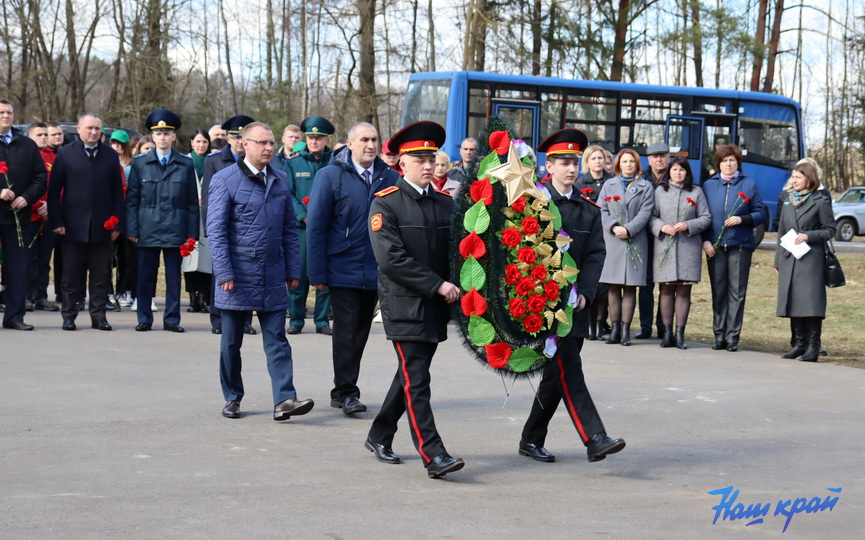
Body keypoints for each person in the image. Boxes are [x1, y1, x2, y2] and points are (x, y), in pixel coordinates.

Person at [519, 129, 626, 465]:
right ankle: (594, 437)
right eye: (563, 162)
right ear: (547, 166)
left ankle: (531, 438)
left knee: (557, 375)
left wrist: (586, 292)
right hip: (542, 304)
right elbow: (522, 254)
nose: (571, 168)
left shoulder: (589, 209)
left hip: (575, 305)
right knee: (569, 368)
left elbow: (595, 255)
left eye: (574, 162)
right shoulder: (533, 205)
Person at [365, 121, 465, 479]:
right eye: (418, 158)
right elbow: (391, 259)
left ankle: (378, 434)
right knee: (418, 380)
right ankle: (433, 454)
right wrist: (437, 285)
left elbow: (459, 251)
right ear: (401, 164)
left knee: (409, 376)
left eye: (431, 158)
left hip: (435, 308)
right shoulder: (385, 204)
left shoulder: (443, 203)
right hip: (404, 306)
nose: (427, 165)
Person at [207, 121, 314, 421]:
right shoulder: (224, 179)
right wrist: (224, 272)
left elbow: (288, 232)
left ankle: (285, 399)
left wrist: (293, 269)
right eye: (262, 143)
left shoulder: (280, 179)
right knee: (231, 342)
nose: (269, 148)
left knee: (277, 338)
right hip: (236, 275)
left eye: (271, 143)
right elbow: (215, 231)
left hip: (271, 273)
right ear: (245, 144)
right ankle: (232, 397)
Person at [307, 121, 399, 415]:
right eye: (364, 140)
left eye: (374, 139)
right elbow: (317, 227)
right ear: (350, 144)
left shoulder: (389, 177)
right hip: (341, 266)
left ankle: (341, 389)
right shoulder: (330, 176)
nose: (370, 145)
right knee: (346, 330)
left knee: (359, 332)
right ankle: (347, 392)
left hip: (376, 268)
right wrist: (317, 272)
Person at [48, 113, 125, 331]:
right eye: (89, 128)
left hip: (103, 227)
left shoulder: (110, 156)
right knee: (71, 275)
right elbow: (54, 191)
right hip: (71, 225)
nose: (93, 132)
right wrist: (56, 220)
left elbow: (117, 193)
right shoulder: (65, 153)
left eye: (97, 129)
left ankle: (98, 316)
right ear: (79, 130)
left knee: (101, 275)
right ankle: (69, 315)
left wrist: (118, 223)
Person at [125, 109, 199, 333]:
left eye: (167, 133)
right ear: (153, 137)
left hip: (175, 227)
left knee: (174, 279)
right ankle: (144, 318)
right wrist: (132, 228)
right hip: (147, 227)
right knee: (146, 276)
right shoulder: (140, 163)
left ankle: (172, 319)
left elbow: (191, 204)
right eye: (159, 134)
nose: (163, 138)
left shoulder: (185, 164)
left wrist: (192, 235)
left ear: (174, 137)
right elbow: (132, 199)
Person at [701, 144, 766, 352]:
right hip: (715, 247)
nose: (728, 164)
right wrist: (705, 240)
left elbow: (760, 214)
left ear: (738, 163)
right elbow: (702, 216)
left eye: (732, 160)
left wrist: (742, 219)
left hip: (740, 246)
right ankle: (719, 334)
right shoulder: (709, 185)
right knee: (718, 291)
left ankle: (732, 336)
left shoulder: (748, 185)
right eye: (724, 160)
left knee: (737, 292)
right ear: (718, 163)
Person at [201, 114, 257, 335]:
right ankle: (218, 320)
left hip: (247, 230)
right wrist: (210, 231)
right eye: (235, 138)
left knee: (246, 276)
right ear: (228, 139)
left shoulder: (254, 162)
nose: (239, 142)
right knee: (220, 274)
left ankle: (244, 321)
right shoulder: (213, 161)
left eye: (243, 138)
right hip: (223, 229)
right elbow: (207, 198)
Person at [774, 162, 836, 362]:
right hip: (789, 258)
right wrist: (777, 261)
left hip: (811, 260)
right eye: (793, 177)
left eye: (798, 177)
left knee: (811, 303)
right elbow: (782, 232)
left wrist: (808, 235)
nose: (794, 180)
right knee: (793, 301)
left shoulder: (820, 200)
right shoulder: (788, 200)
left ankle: (813, 346)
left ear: (809, 179)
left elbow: (830, 230)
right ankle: (799, 344)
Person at [649, 157, 711, 349]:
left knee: (684, 291)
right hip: (664, 248)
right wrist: (662, 226)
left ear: (687, 172)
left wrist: (688, 225)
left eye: (682, 170)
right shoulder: (660, 191)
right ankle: (667, 334)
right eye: (675, 169)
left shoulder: (696, 191)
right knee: (666, 290)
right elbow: (651, 216)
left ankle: (680, 334)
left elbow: (706, 217)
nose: (678, 173)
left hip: (688, 248)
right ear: (669, 172)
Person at [597, 148, 654, 346]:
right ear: (618, 164)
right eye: (625, 161)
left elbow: (645, 212)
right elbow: (601, 209)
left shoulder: (645, 186)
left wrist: (628, 229)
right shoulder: (608, 185)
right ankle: (614, 329)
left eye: (632, 161)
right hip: (613, 241)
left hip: (635, 241)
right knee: (613, 287)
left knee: (630, 287)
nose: (628, 165)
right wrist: (613, 227)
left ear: (637, 165)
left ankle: (625, 331)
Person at [0, 98, 48, 330]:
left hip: (18, 218)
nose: (6, 116)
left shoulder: (27, 145)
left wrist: (26, 198)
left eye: (9, 112)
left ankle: (14, 317)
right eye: (1, 112)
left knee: (18, 269)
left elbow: (41, 177)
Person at [284, 115, 334, 335]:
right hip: (302, 230)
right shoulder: (293, 163)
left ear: (326, 140)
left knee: (325, 275)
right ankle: (296, 318)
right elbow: (288, 194)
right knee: (300, 274)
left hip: (328, 229)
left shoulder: (335, 162)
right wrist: (303, 216)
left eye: (319, 138)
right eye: (311, 137)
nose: (314, 141)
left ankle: (322, 320)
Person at [576, 144, 612, 340]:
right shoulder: (581, 183)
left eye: (601, 158)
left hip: (609, 236)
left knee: (606, 284)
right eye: (594, 158)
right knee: (592, 281)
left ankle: (601, 321)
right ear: (587, 161)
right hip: (589, 235)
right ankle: (589, 322)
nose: (598, 162)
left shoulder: (612, 182)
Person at [636, 142, 670, 340]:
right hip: (645, 239)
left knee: (665, 285)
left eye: (662, 156)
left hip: (667, 239)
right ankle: (645, 326)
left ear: (668, 158)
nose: (659, 159)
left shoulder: (675, 175)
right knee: (646, 285)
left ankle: (663, 326)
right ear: (649, 159)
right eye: (655, 156)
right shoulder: (642, 178)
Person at [25, 122, 60, 312]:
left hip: (49, 217)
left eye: (46, 134)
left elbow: (59, 186)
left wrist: (51, 207)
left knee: (44, 260)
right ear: (30, 137)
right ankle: (27, 295)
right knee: (28, 258)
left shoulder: (54, 157)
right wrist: (38, 204)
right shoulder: (25, 155)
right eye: (39, 135)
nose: (44, 138)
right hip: (30, 215)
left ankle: (41, 295)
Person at [182, 129, 213, 314]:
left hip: (208, 215)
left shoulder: (211, 161)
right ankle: (192, 297)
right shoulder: (185, 161)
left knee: (207, 258)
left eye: (205, 142)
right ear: (192, 142)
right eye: (198, 141)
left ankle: (203, 296)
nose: (202, 145)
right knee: (190, 256)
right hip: (189, 215)